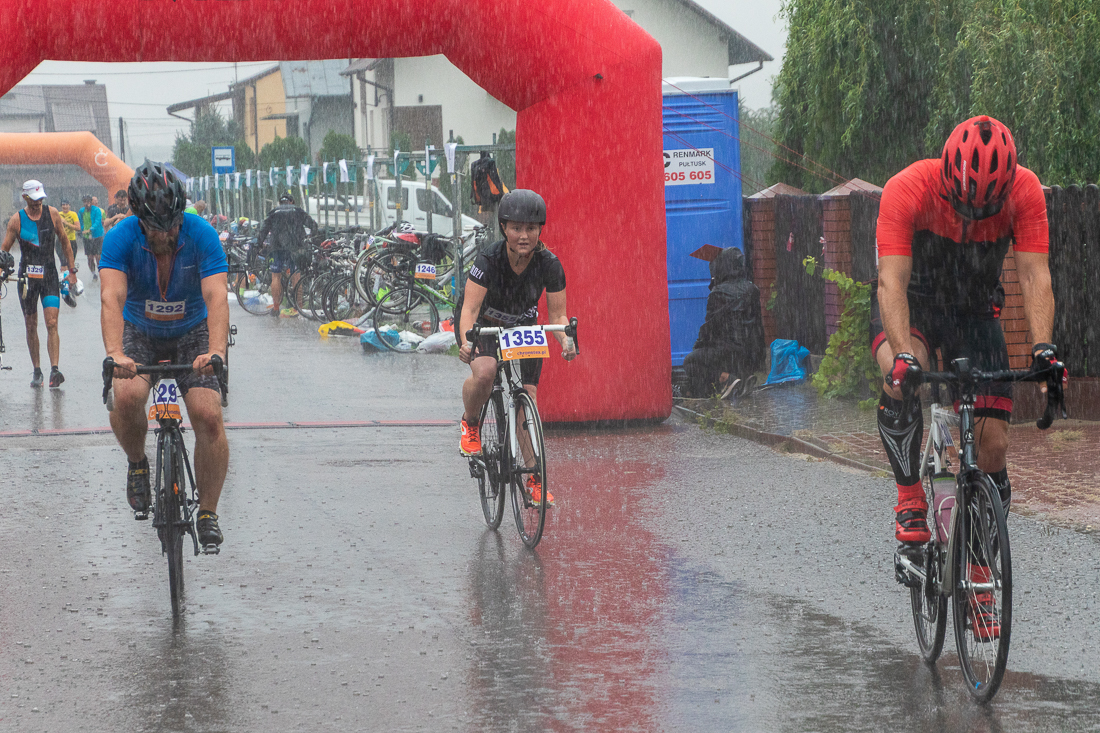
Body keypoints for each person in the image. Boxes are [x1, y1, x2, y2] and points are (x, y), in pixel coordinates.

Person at [873, 115, 1053, 636]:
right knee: (902, 375)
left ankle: (977, 564)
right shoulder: (908, 188)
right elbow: (891, 282)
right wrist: (904, 356)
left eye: (986, 207)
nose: (974, 214)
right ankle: (911, 499)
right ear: (948, 180)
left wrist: (1044, 350)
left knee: (993, 444)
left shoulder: (1025, 192)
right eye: (965, 203)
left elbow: (1034, 274)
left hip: (974, 311)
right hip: (913, 305)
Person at [99, 160, 230, 548]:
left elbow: (217, 296)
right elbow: (111, 297)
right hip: (140, 331)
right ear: (138, 218)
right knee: (127, 397)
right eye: (156, 227)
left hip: (192, 331)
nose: (166, 234)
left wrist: (217, 351)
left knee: (208, 416)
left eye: (172, 225)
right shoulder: (120, 238)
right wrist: (114, 353)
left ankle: (208, 512)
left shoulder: (202, 234)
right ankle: (138, 462)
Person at [456, 189, 577, 506]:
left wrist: (566, 340)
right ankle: (470, 422)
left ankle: (534, 478)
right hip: (483, 323)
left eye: (531, 228)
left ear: (540, 230)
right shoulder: (489, 260)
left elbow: (558, 316)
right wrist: (467, 341)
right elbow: (469, 309)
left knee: (528, 398)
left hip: (522, 329)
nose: (524, 235)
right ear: (504, 228)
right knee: (485, 372)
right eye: (516, 228)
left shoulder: (550, 264)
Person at [0, 180, 78, 387]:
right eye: (33, 200)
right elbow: (3, 252)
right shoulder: (16, 220)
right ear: (25, 198)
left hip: (49, 276)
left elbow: (65, 241)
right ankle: (37, 371)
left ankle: (54, 370)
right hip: (27, 280)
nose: (37, 203)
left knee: (51, 322)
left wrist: (72, 271)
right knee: (31, 324)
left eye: (40, 199)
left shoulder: (53, 214)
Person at [682, 246, 766, 398]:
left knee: (690, 361)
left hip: (728, 353)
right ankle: (742, 377)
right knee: (713, 355)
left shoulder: (718, 293)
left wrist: (698, 347)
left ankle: (726, 379)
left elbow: (709, 328)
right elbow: (757, 325)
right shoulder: (752, 289)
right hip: (749, 353)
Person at [254, 192, 318, 317]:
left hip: (276, 247)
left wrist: (259, 244)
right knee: (296, 276)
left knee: (275, 277)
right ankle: (298, 307)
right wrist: (311, 238)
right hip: (295, 247)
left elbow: (263, 230)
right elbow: (313, 225)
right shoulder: (298, 211)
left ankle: (276, 307)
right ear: (292, 201)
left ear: (280, 202)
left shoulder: (273, 212)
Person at [78, 193, 105, 279]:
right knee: (90, 257)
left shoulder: (97, 210)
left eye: (88, 201)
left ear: (91, 202)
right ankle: (93, 273)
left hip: (97, 235)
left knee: (98, 256)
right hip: (86, 237)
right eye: (85, 202)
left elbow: (98, 221)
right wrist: (81, 230)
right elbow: (80, 222)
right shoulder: (81, 211)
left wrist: (90, 229)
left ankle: (101, 272)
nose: (87, 203)